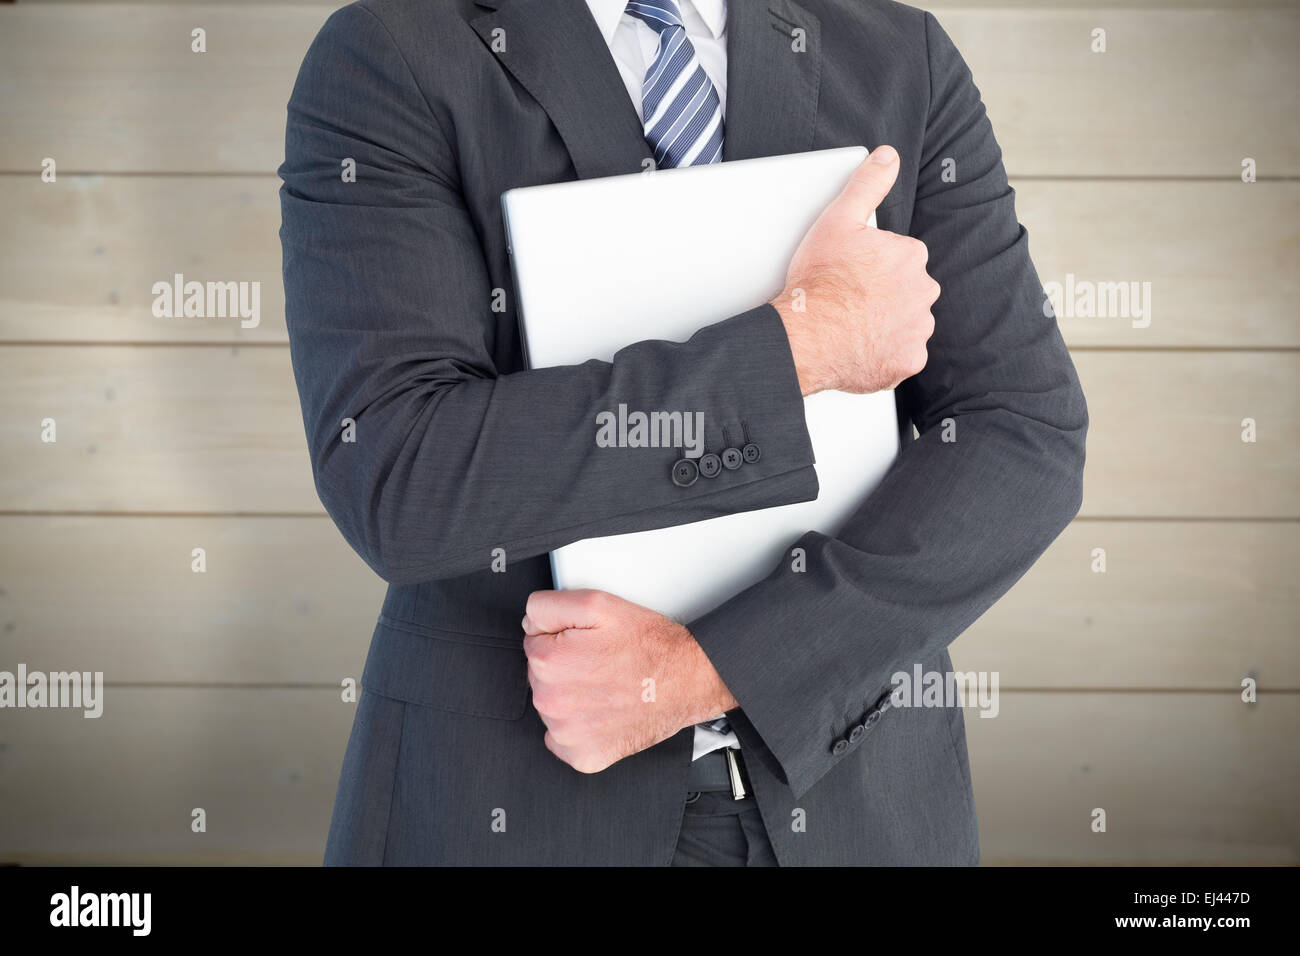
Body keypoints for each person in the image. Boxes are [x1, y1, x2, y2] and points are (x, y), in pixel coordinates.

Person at [278, 0, 1088, 866]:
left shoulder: (897, 54)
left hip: (859, 807)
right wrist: (801, 346)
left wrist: (705, 669)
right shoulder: (394, 51)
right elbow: (400, 476)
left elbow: (1024, 433)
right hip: (512, 807)